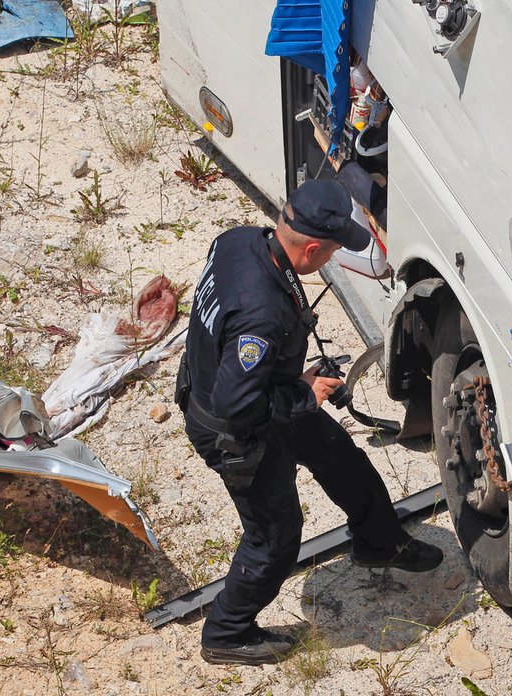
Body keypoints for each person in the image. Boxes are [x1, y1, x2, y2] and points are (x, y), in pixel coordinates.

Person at [176, 180, 442, 666]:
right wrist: (301, 393)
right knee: (275, 536)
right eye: (336, 249)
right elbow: (237, 404)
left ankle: (378, 542)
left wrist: (295, 382)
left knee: (343, 461)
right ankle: (226, 633)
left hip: (255, 391)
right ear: (314, 247)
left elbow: (237, 351)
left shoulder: (240, 240)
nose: (336, 256)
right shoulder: (262, 314)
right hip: (234, 428)